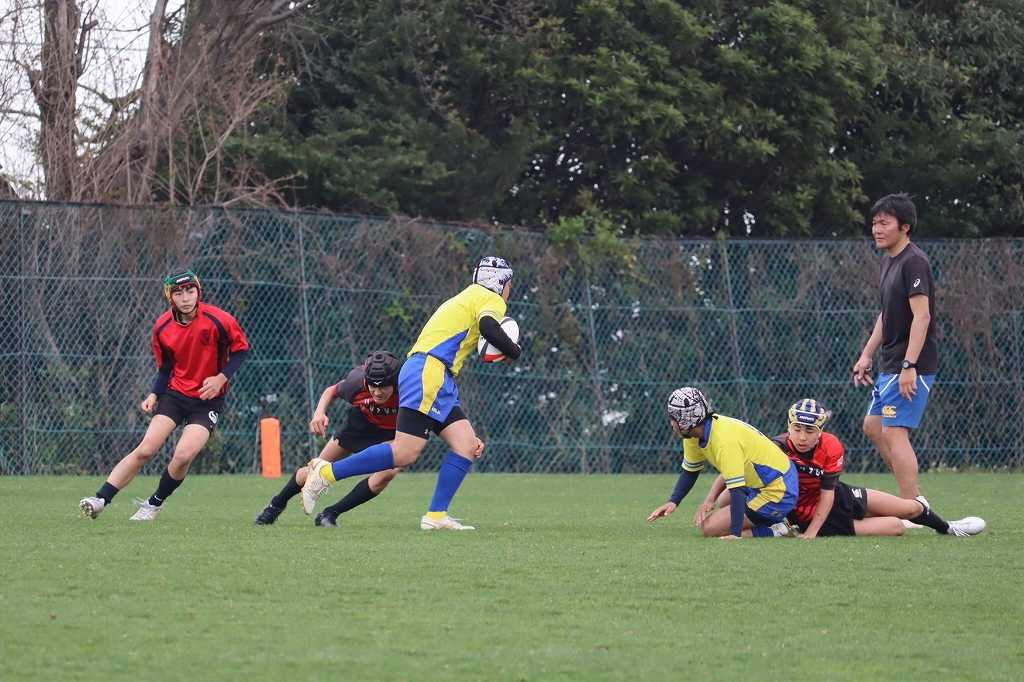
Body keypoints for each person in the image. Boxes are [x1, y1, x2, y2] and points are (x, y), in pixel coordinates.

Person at [301, 256, 522, 530]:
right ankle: (326, 472)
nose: (509, 289)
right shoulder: (491, 299)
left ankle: (436, 516)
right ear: (499, 282)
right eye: (509, 283)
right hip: (429, 371)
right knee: (404, 452)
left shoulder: (469, 296)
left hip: (434, 373)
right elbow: (489, 326)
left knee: (466, 444)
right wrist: (514, 350)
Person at [79, 270, 249, 521]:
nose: (185, 298)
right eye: (178, 293)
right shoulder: (162, 326)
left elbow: (241, 351)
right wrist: (154, 394)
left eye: (190, 291)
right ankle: (100, 499)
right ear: (170, 297)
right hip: (175, 395)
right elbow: (166, 368)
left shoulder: (219, 320)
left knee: (183, 455)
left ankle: (154, 503)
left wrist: (220, 378)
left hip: (207, 401)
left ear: (198, 291)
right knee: (146, 449)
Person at [769, 399, 985, 538]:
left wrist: (812, 533)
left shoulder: (831, 445)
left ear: (820, 431)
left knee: (910, 508)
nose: (802, 437)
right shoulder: (775, 448)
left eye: (809, 431)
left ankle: (947, 528)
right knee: (896, 527)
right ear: (789, 426)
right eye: (797, 429)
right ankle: (904, 522)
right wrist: (811, 530)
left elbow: (828, 493)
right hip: (812, 517)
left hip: (838, 497)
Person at [852, 193, 938, 502]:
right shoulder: (890, 261)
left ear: (905, 227)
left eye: (884, 223)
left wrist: (909, 366)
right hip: (891, 363)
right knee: (874, 427)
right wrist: (866, 354)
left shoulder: (914, 262)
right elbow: (886, 315)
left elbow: (922, 316)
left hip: (911, 365)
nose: (876, 229)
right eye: (874, 223)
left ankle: (911, 507)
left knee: (894, 432)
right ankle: (914, 499)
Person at [254, 351, 403, 528]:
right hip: (360, 426)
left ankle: (330, 513)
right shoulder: (356, 382)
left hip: (393, 433)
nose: (377, 392)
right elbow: (330, 391)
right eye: (373, 386)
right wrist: (319, 413)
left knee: (387, 474)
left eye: (383, 387)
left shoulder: (408, 388)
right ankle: (275, 505)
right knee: (314, 471)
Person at [646, 387, 799, 539]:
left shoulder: (724, 441)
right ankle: (769, 519)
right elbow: (691, 471)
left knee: (709, 528)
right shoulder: (695, 433)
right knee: (723, 500)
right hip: (764, 483)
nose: (671, 423)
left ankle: (778, 530)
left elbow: (737, 489)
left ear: (685, 420)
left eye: (673, 418)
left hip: (779, 490)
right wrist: (674, 501)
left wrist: (735, 534)